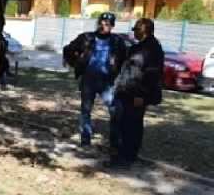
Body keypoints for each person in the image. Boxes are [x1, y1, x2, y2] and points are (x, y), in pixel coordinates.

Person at [62, 12, 127, 149]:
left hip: (107, 81)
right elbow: (68, 49)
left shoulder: (117, 41)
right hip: (88, 79)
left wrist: (118, 74)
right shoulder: (87, 38)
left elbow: (124, 59)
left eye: (107, 24)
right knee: (86, 110)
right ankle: (85, 139)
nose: (103, 26)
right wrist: (75, 62)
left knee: (116, 110)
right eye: (100, 23)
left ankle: (115, 143)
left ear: (112, 26)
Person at [106, 18, 164, 169]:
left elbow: (150, 75)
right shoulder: (139, 47)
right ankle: (128, 155)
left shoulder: (152, 49)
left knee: (130, 125)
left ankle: (125, 158)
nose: (134, 32)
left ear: (145, 31)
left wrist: (141, 94)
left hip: (137, 94)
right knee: (130, 124)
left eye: (137, 29)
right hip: (128, 92)